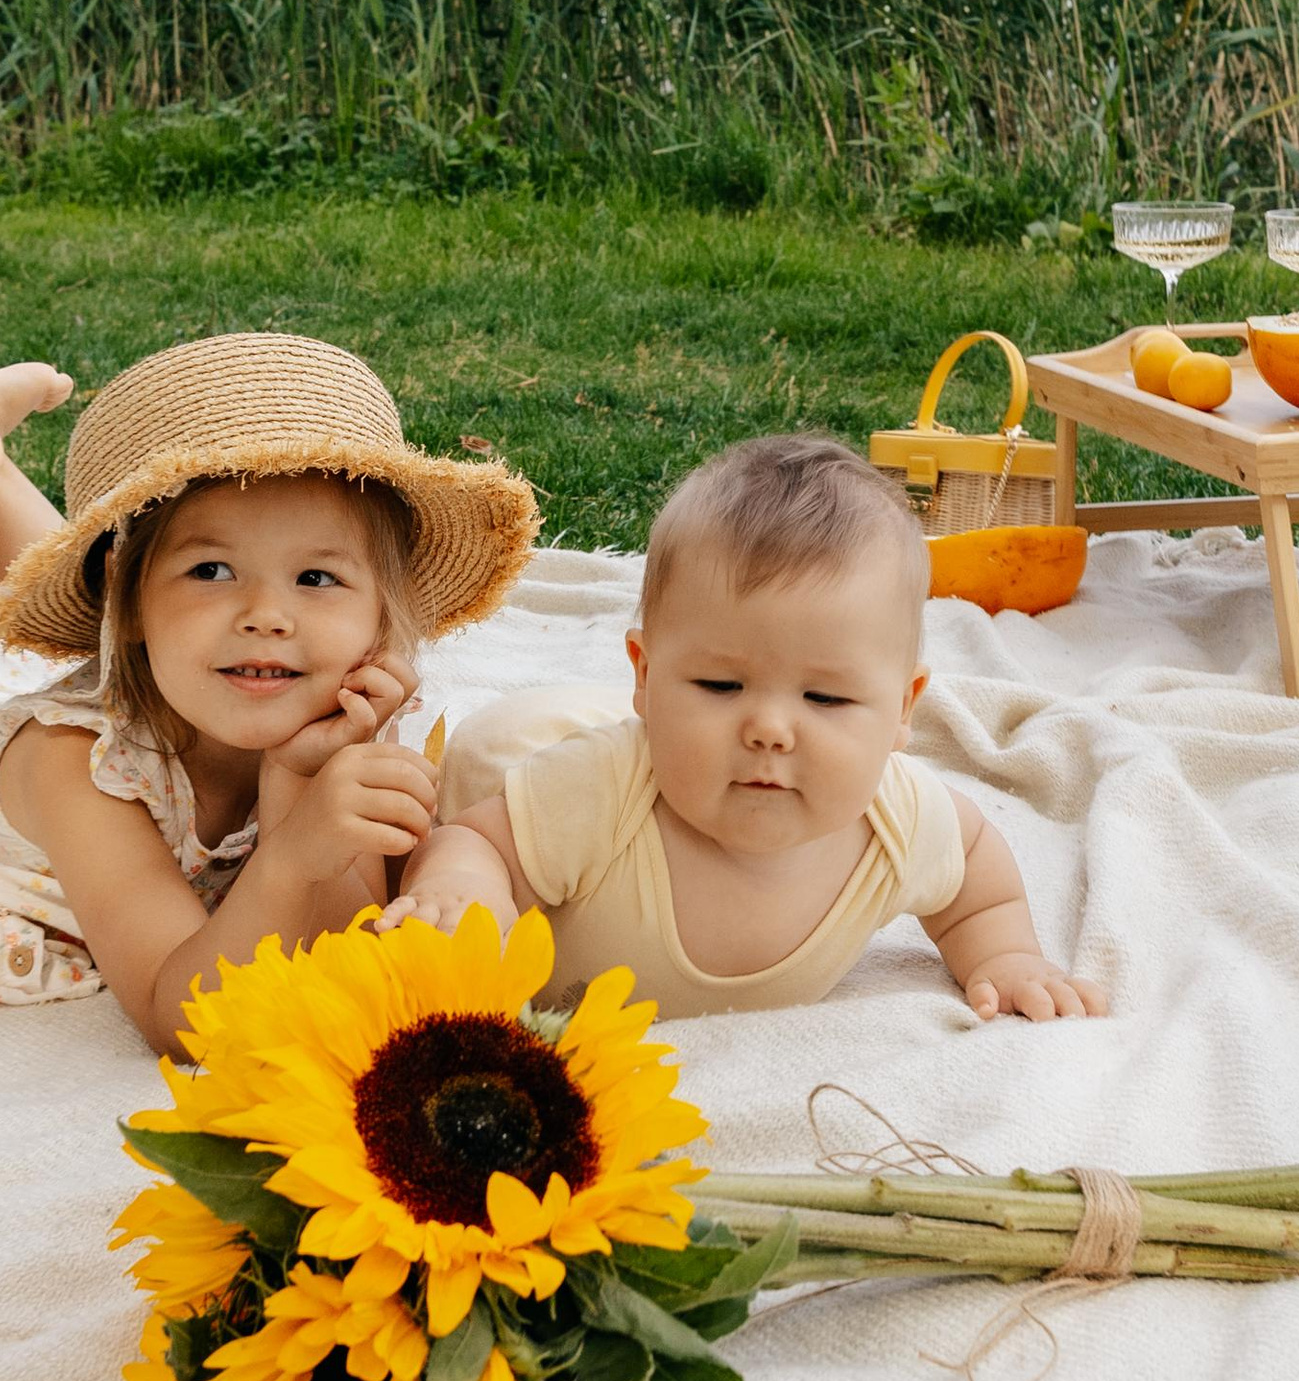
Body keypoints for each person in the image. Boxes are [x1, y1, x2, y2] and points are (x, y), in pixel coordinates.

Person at [0, 321, 537, 1052]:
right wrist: (291, 857)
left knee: (167, 626)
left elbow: (340, 936)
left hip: (159, 667)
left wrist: (297, 779)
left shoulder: (342, 706)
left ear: (378, 620)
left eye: (316, 576)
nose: (267, 615)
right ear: (124, 606)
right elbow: (182, 1019)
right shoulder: (75, 766)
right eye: (213, 569)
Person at [386, 431, 1107, 1026]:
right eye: (720, 685)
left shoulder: (899, 820)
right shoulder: (600, 793)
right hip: (535, 753)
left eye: (825, 698)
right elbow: (476, 839)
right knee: (500, 749)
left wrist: (1005, 957)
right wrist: (460, 890)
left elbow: (976, 885)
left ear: (902, 709)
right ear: (644, 675)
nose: (768, 729)